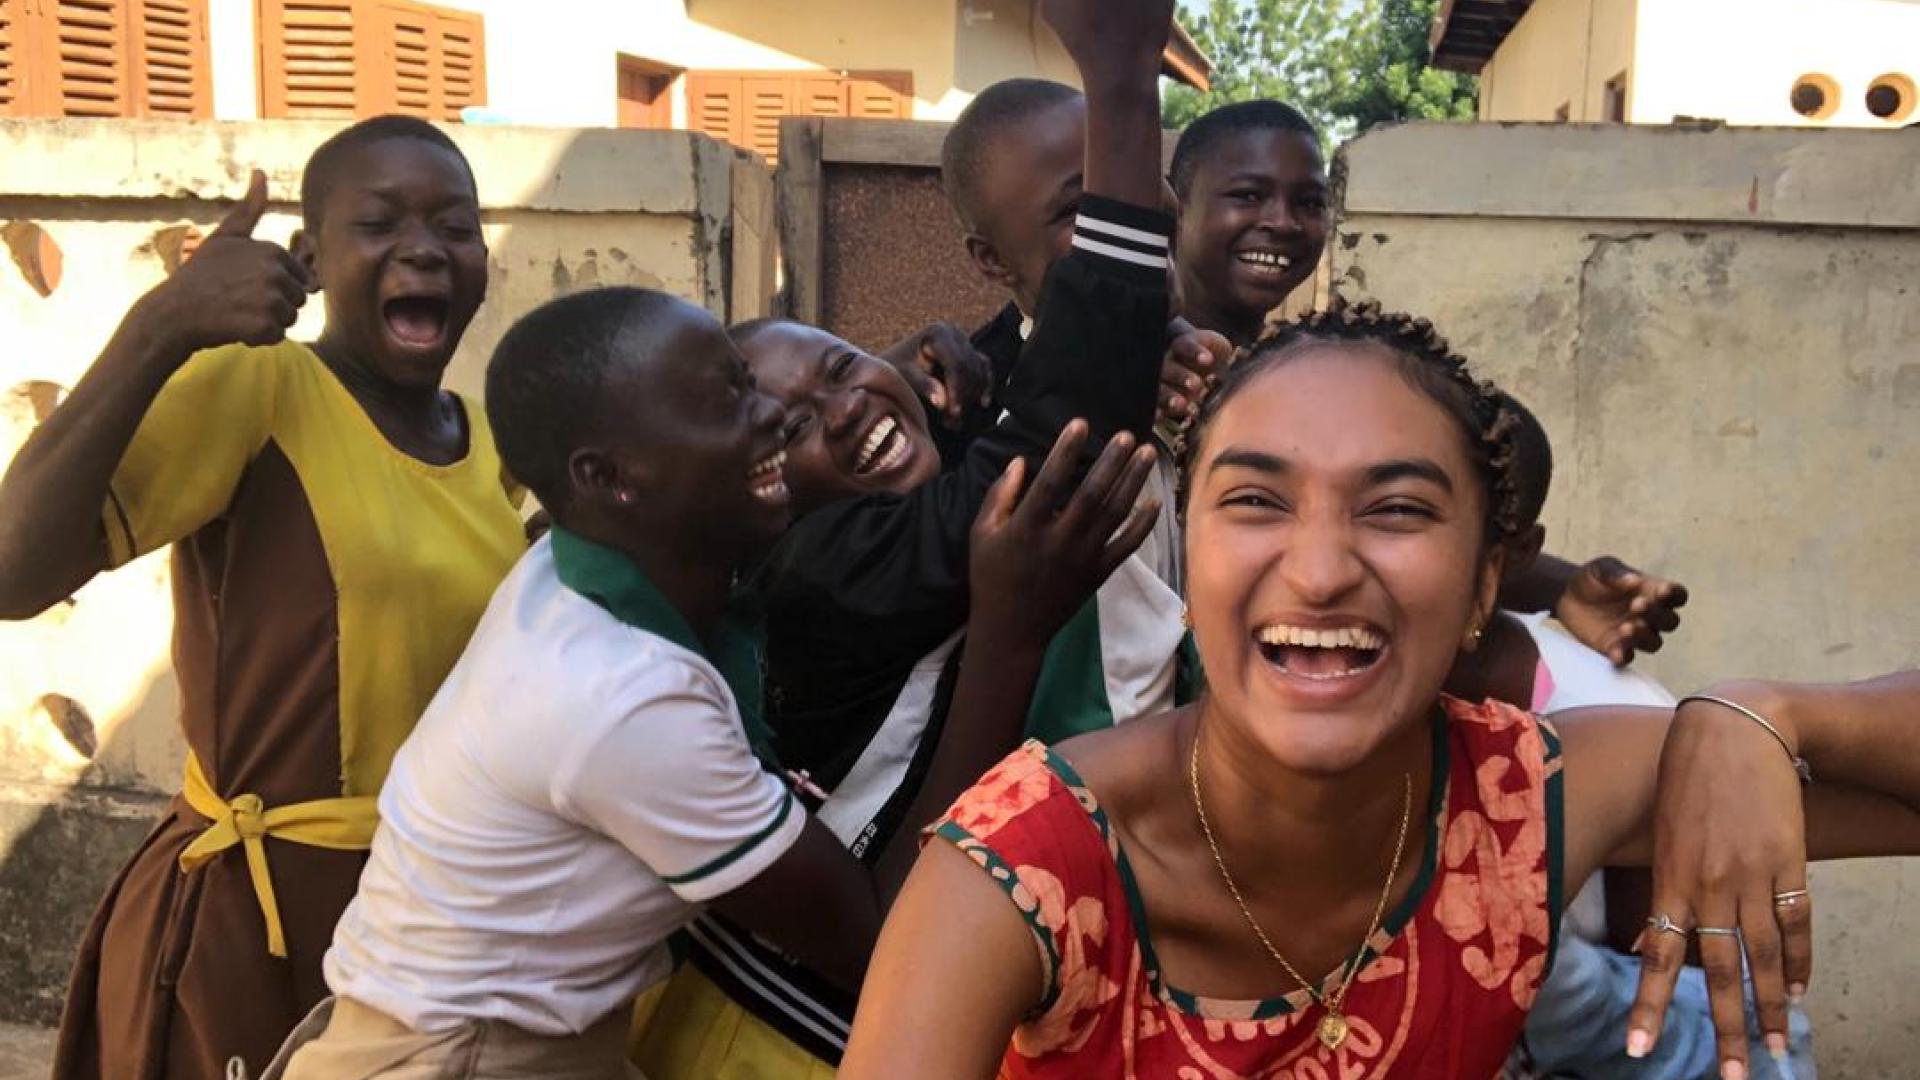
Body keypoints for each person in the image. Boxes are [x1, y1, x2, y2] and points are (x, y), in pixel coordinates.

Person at [838, 300, 1920, 1079]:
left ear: (1486, 578)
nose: (1318, 569)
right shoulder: (1024, 865)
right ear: (1191, 551)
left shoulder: (1521, 799)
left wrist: (1768, 716)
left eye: (1397, 510)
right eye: (1256, 500)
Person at [268, 285, 1157, 1079]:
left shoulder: (594, 563)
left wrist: (896, 378)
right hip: (462, 1059)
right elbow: (884, 933)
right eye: (728, 400)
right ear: (609, 478)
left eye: (749, 381)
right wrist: (1010, 633)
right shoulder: (623, 699)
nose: (771, 415)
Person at [632, 3, 1186, 1073]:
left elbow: (1006, 400)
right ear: (759, 479)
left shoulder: (881, 495)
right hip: (785, 1039)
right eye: (791, 426)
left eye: (843, 365)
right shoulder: (821, 570)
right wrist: (1120, 81)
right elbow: (1049, 446)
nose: (844, 410)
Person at [0, 116, 526, 1079]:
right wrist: (161, 327)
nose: (424, 247)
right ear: (310, 260)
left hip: (433, 918)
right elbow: (12, 572)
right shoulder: (255, 390)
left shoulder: (488, 443)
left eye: (455, 225)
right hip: (271, 922)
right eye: (380, 223)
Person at [1163, 98, 1690, 669]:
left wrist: (1562, 589)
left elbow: (1395, 529)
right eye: (1247, 195)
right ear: (1175, 208)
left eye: (1310, 203)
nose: (1284, 222)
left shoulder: (1311, 381)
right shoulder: (1127, 370)